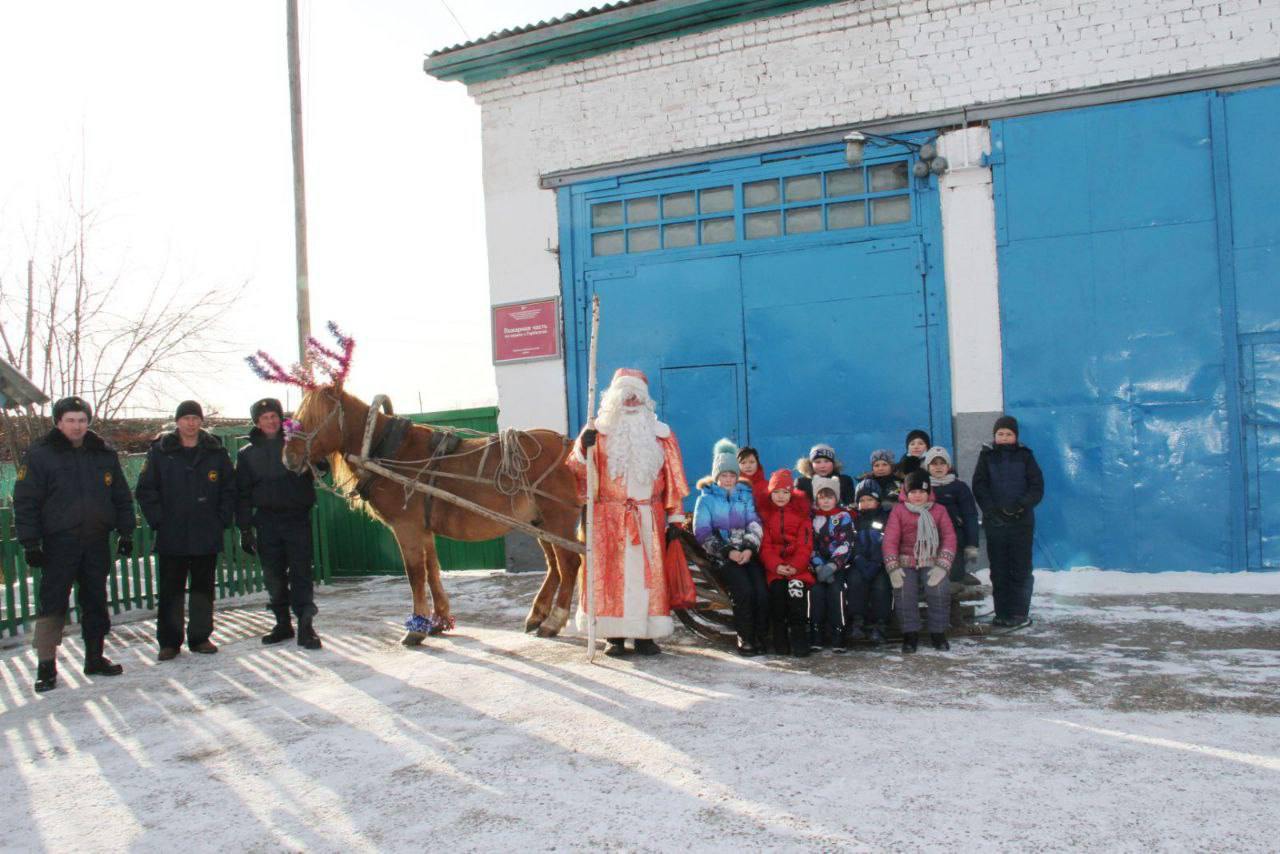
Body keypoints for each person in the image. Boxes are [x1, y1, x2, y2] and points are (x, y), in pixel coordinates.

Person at [13, 397, 135, 692]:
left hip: (95, 541)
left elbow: (120, 494)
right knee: (53, 604)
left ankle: (95, 658)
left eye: (82, 420)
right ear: (58, 422)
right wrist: (31, 542)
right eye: (70, 420)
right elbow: (26, 501)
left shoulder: (103, 453)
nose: (77, 426)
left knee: (94, 599)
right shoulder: (41, 455)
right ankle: (46, 667)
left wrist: (126, 531)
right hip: (59, 543)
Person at [570, 368, 689, 657]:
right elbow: (577, 470)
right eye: (626, 397)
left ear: (646, 401)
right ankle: (615, 635)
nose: (632, 402)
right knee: (612, 577)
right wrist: (582, 451)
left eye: (637, 398)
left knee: (648, 578)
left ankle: (646, 635)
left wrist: (675, 517)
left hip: (649, 517)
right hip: (608, 519)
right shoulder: (597, 433)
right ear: (614, 399)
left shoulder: (662, 435)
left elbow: (674, 478)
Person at [135, 400, 235, 661]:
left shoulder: (215, 451)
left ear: (201, 421)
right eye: (186, 418)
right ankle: (169, 642)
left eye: (195, 418)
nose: (191, 423)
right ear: (177, 421)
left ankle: (200, 637)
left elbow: (229, 489)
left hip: (205, 532)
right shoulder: (160, 451)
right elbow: (146, 490)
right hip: (173, 533)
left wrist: (221, 519)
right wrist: (159, 520)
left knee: (203, 589)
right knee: (171, 590)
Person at [236, 397, 324, 650]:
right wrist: (244, 529)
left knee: (301, 573)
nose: (270, 421)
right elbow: (241, 493)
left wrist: (317, 460)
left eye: (274, 416)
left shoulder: (297, 444)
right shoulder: (247, 454)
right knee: (273, 575)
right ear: (257, 422)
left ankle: (306, 626)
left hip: (296, 519)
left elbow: (322, 466)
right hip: (267, 522)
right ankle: (282, 624)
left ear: (280, 418)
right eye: (265, 418)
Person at [693, 438, 766, 656]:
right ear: (716, 476)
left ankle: (761, 636)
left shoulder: (745, 495)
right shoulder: (705, 500)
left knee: (761, 591)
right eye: (723, 475)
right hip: (722, 557)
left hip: (746, 553)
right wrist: (728, 552)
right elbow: (703, 532)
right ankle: (745, 637)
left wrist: (748, 549)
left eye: (732, 475)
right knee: (743, 591)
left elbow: (754, 523)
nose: (728, 479)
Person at [971, 415, 1044, 630]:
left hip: (1021, 523)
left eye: (1008, 434)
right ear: (995, 436)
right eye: (1000, 434)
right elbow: (979, 485)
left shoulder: (1026, 456)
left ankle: (1020, 612)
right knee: (999, 569)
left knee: (1020, 569)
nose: (1004, 437)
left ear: (1015, 436)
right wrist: (991, 510)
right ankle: (1002, 612)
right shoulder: (987, 456)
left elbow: (1037, 487)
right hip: (996, 523)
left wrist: (1020, 506)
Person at [883, 470, 957, 653]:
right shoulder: (898, 511)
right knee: (904, 591)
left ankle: (938, 634)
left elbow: (949, 538)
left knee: (939, 590)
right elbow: (890, 539)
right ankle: (910, 635)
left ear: (928, 492)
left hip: (932, 560)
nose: (918, 496)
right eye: (913, 492)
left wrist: (942, 565)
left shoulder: (939, 510)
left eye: (922, 492)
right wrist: (892, 567)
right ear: (906, 494)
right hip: (906, 562)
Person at [758, 469, 813, 658]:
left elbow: (805, 546)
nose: (780, 496)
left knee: (796, 599)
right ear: (770, 493)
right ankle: (780, 641)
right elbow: (765, 547)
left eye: (785, 492)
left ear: (792, 494)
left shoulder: (802, 515)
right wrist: (776, 566)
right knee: (778, 600)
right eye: (776, 492)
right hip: (775, 569)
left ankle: (799, 640)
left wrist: (795, 566)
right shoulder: (765, 516)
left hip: (797, 570)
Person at [923, 446, 981, 588]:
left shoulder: (960, 487)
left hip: (955, 539)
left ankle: (954, 608)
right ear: (927, 467)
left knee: (955, 578)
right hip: (928, 541)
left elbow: (970, 515)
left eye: (942, 463)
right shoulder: (921, 487)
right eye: (934, 463)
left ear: (948, 466)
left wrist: (972, 543)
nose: (938, 467)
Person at [809, 485, 854, 653]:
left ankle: (839, 633)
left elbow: (846, 543)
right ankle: (815, 632)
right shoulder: (812, 518)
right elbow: (810, 544)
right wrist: (818, 565)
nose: (825, 501)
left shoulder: (843, 516)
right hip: (817, 566)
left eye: (829, 497)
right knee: (816, 592)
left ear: (836, 498)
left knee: (837, 591)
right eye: (821, 497)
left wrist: (833, 565)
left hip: (838, 565)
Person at [848, 479, 892, 645]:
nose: (865, 504)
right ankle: (857, 622)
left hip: (879, 563)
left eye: (870, 500)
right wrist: (857, 558)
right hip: (858, 562)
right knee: (855, 581)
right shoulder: (853, 519)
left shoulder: (885, 517)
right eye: (862, 500)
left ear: (878, 500)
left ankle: (880, 625)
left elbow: (887, 540)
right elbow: (850, 541)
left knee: (881, 585)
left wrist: (876, 562)